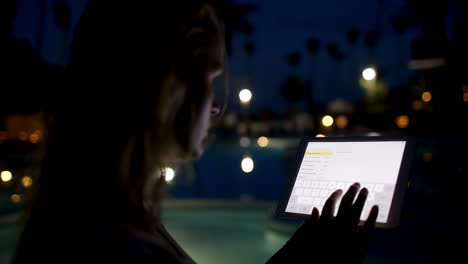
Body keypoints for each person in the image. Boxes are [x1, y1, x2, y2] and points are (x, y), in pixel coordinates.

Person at [13, 1, 378, 263]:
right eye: (208, 79)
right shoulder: (120, 243)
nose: (216, 106)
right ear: (168, 90)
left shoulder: (91, 209)